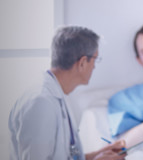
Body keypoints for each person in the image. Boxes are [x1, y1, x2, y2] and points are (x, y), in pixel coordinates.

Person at [9, 26, 126, 160]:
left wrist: (97, 155)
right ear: (82, 63)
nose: (94, 67)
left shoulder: (58, 92)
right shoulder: (40, 102)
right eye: (95, 59)